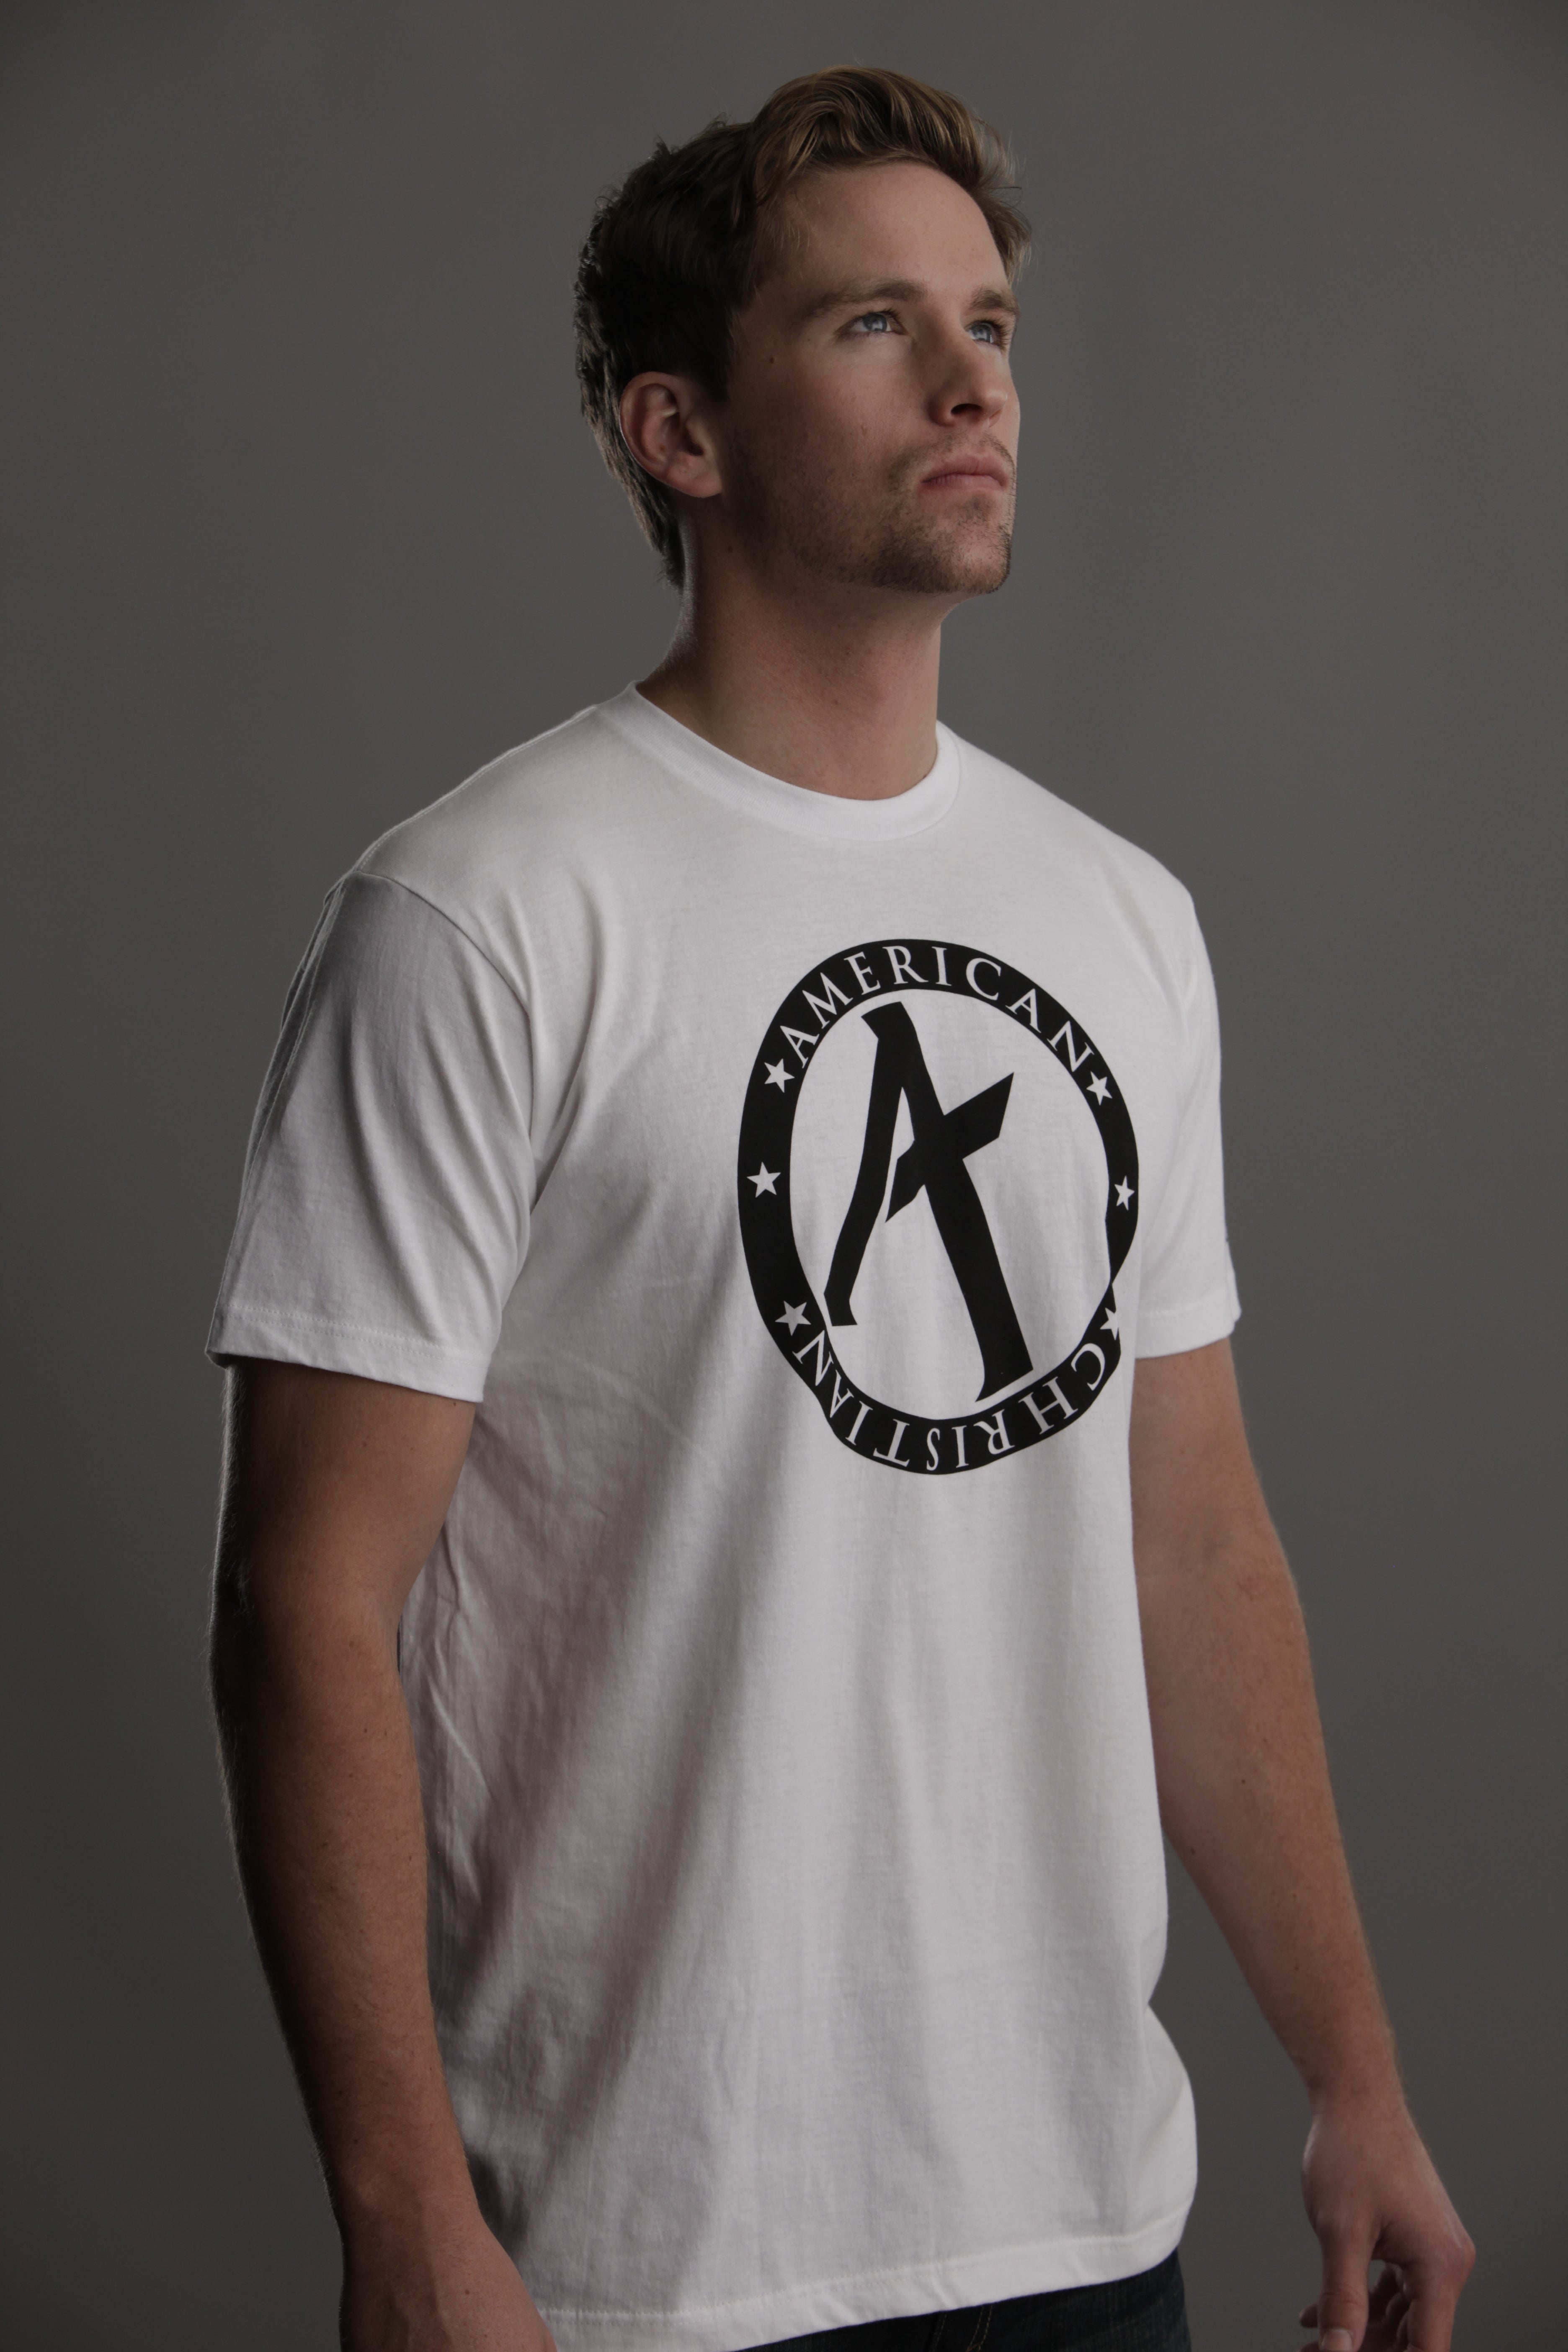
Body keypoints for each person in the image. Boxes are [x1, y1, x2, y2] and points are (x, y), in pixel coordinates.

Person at [207, 66, 1473, 2352]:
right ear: (680, 431)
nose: (975, 381)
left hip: (1078, 2222)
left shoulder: (1122, 917)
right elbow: (305, 1598)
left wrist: (1353, 2074)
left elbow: (1192, 1541)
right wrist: (404, 2218)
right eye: (876, 324)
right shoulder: (483, 917)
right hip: (634, 2250)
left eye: (991, 323)